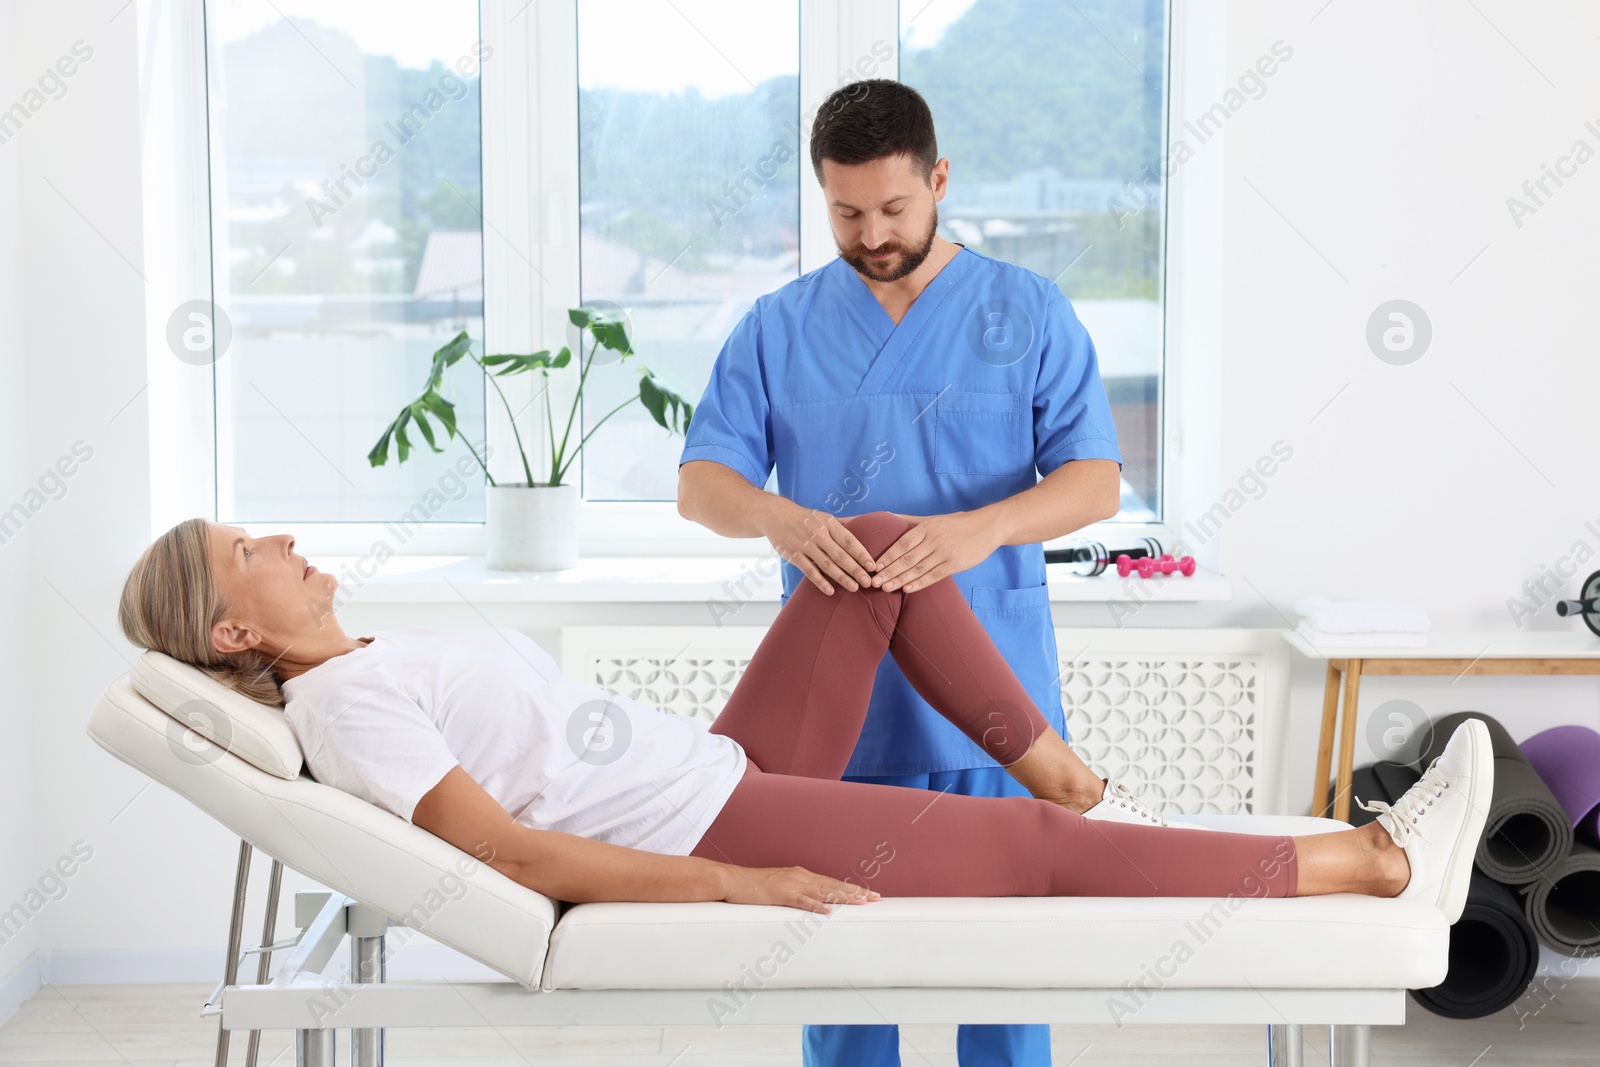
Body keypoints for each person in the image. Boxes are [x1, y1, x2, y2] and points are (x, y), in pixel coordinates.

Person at [116, 514, 1491, 954]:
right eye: (253, 549)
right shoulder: (346, 700)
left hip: (722, 762)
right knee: (1028, 848)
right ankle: (1363, 862)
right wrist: (742, 879)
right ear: (231, 632)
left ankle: (1054, 751)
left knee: (880, 546)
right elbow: (517, 855)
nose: (285, 539)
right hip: (704, 823)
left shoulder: (369, 653)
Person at [677, 79, 1137, 1067]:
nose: (871, 232)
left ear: (938, 179)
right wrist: (779, 518)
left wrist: (984, 529)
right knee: (841, 978)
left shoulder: (1026, 311)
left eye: (894, 207)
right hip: (840, 709)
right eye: (846, 212)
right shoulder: (777, 326)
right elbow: (701, 483)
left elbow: (1095, 481)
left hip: (996, 701)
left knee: (1007, 969)